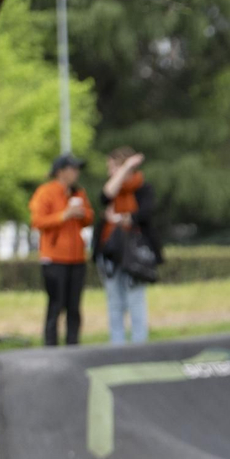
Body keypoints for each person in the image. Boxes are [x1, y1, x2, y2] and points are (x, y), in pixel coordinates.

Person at [99, 147, 163, 344]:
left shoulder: (143, 188)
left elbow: (144, 214)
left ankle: (138, 344)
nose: (110, 172)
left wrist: (120, 218)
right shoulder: (112, 188)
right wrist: (121, 173)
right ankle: (117, 344)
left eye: (113, 168)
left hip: (134, 253)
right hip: (110, 251)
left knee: (135, 299)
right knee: (114, 301)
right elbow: (105, 197)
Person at [29, 154, 95, 345]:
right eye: (72, 169)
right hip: (54, 258)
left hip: (77, 259)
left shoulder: (78, 193)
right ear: (60, 172)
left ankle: (73, 345)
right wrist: (63, 215)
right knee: (55, 305)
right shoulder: (46, 192)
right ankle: (51, 346)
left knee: (74, 306)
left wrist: (81, 213)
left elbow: (89, 218)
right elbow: (37, 221)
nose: (76, 173)